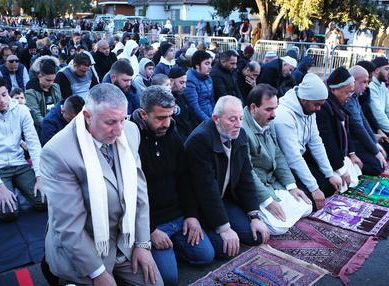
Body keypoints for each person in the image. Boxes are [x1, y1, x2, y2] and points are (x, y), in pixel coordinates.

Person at [40, 84, 162, 286]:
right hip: (85, 249)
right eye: (110, 122)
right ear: (87, 116)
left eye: (122, 119)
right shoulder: (58, 152)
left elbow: (139, 193)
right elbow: (70, 226)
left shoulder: (130, 131)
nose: (118, 130)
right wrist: (97, 272)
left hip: (125, 242)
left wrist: (142, 244)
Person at [130, 86, 214, 283]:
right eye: (160, 118)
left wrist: (192, 215)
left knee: (205, 256)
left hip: (178, 215)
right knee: (169, 278)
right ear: (143, 114)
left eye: (170, 116)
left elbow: (185, 179)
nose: (166, 123)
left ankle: (174, 248)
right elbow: (131, 195)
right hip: (153, 223)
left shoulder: (172, 133)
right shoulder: (131, 139)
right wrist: (150, 230)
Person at [185, 95, 268, 258]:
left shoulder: (240, 135)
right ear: (216, 119)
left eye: (241, 118)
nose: (238, 124)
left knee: (255, 236)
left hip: (223, 199)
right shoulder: (199, 141)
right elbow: (206, 190)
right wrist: (224, 228)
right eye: (232, 119)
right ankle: (205, 230)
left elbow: (246, 177)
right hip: (200, 205)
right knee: (224, 248)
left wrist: (254, 215)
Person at [241, 84, 312, 235]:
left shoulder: (269, 122)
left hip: (273, 183)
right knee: (277, 227)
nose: (274, 114)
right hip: (257, 189)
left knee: (307, 205)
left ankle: (285, 211)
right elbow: (247, 172)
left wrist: (291, 186)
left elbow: (278, 155)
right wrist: (268, 201)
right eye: (269, 109)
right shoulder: (242, 130)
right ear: (253, 108)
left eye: (275, 108)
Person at [0, 76, 45, 221]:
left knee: (45, 202)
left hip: (19, 164)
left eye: (4, 94)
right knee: (8, 214)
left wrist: (39, 176)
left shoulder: (22, 110)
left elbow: (34, 144)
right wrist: (0, 186)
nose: (2, 100)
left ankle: (19, 187)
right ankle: (7, 188)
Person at [274, 73, 343, 209]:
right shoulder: (283, 116)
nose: (318, 109)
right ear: (304, 99)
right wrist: (314, 188)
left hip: (299, 159)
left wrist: (329, 174)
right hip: (284, 166)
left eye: (321, 105)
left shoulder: (308, 109)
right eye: (316, 105)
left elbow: (316, 143)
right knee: (310, 200)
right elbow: (292, 157)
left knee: (329, 186)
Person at [317, 67, 363, 194]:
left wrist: (352, 153)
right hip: (330, 159)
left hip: (340, 155)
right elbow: (328, 142)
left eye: (350, 92)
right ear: (333, 89)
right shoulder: (324, 107)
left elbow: (346, 133)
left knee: (357, 171)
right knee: (335, 185)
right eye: (346, 93)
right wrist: (340, 168)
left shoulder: (339, 104)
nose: (349, 96)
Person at [346, 66, 387, 176]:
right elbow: (358, 128)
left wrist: (374, 142)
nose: (366, 86)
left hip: (357, 140)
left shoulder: (354, 97)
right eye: (364, 82)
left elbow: (363, 120)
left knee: (385, 152)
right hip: (351, 144)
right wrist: (375, 151)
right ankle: (355, 166)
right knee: (377, 166)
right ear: (353, 81)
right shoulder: (348, 99)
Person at [25, 59, 62, 135]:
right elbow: (37, 117)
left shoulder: (55, 87)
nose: (51, 83)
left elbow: (60, 106)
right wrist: (52, 127)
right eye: (48, 80)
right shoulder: (31, 93)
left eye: (53, 80)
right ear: (39, 76)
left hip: (56, 123)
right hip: (41, 129)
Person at [185, 50, 215, 123]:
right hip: (197, 121)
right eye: (207, 64)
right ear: (197, 65)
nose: (210, 67)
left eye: (211, 64)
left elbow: (212, 100)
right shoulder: (190, 80)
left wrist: (215, 116)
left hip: (210, 115)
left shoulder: (208, 77)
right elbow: (194, 107)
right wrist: (209, 122)